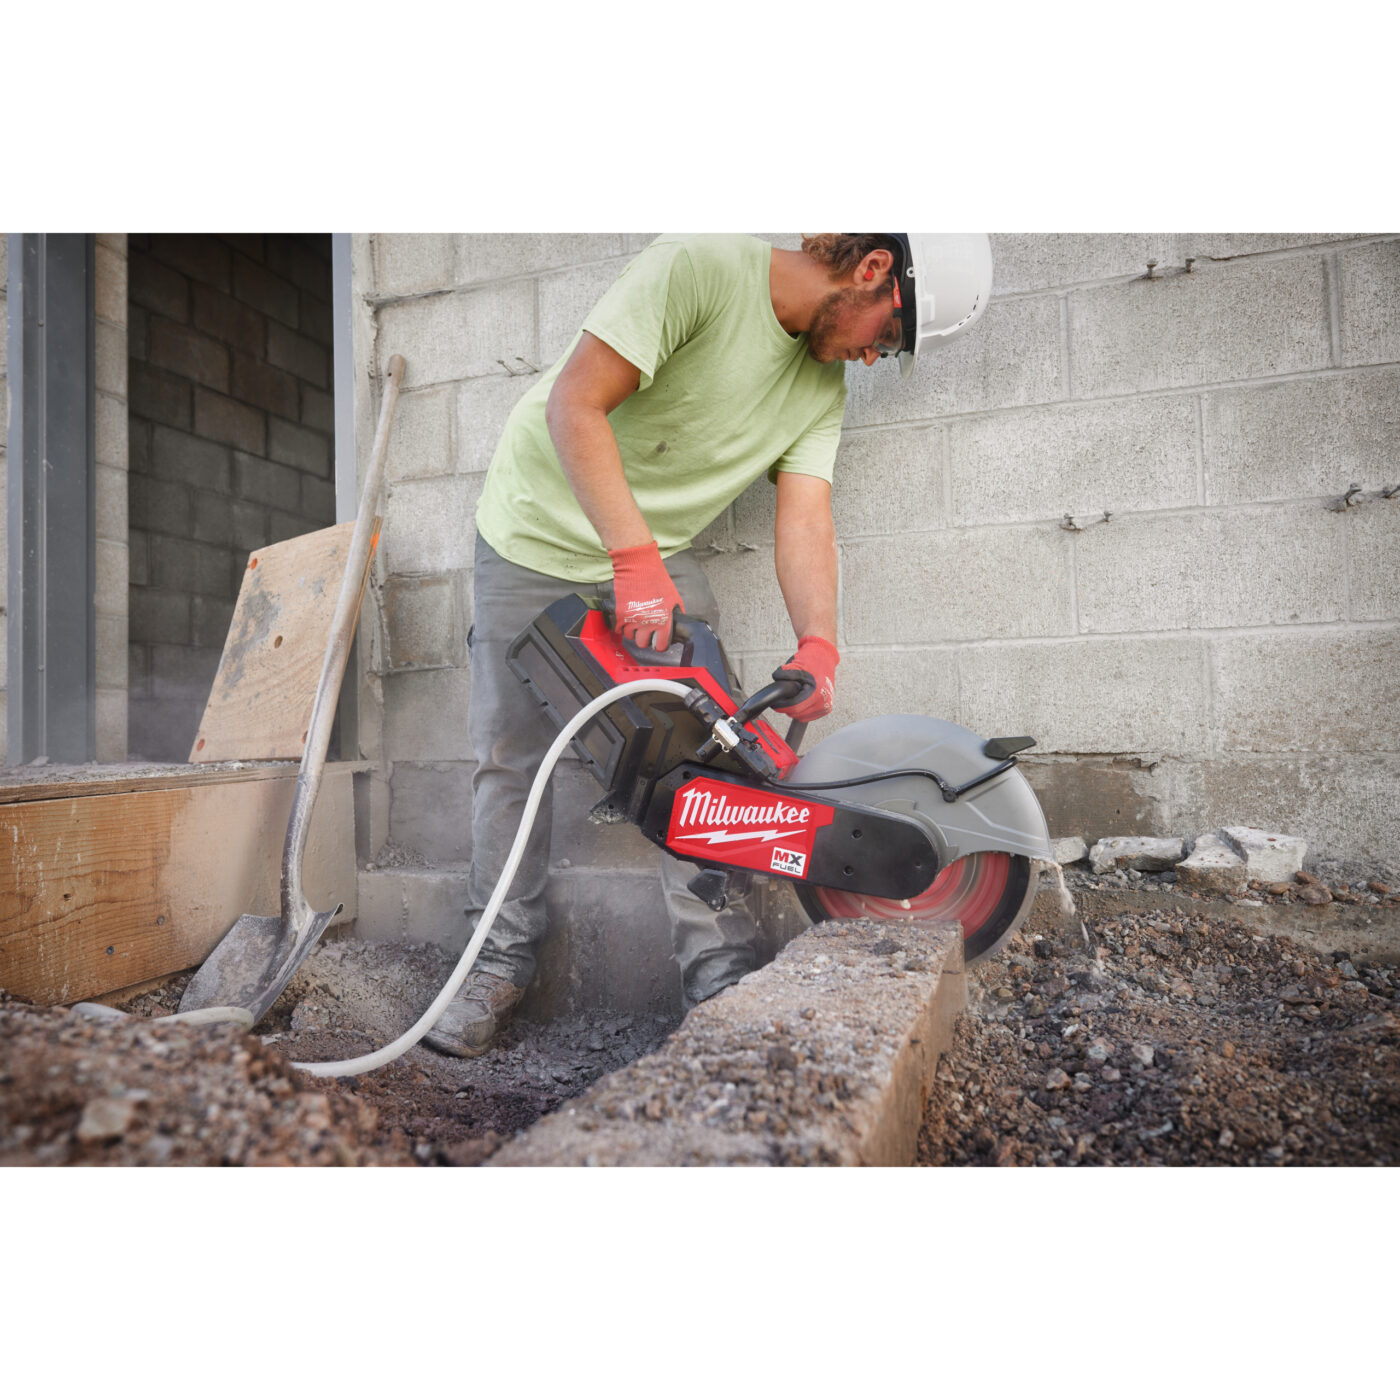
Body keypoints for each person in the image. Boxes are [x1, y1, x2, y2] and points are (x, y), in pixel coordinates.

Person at [423, 232, 993, 1057]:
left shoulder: (821, 387)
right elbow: (574, 404)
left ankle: (718, 977)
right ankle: (495, 964)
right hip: (532, 535)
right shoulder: (697, 269)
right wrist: (632, 561)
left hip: (648, 553)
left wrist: (820, 643)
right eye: (890, 335)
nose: (875, 357)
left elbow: (805, 518)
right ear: (872, 271)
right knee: (511, 757)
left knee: (711, 752)